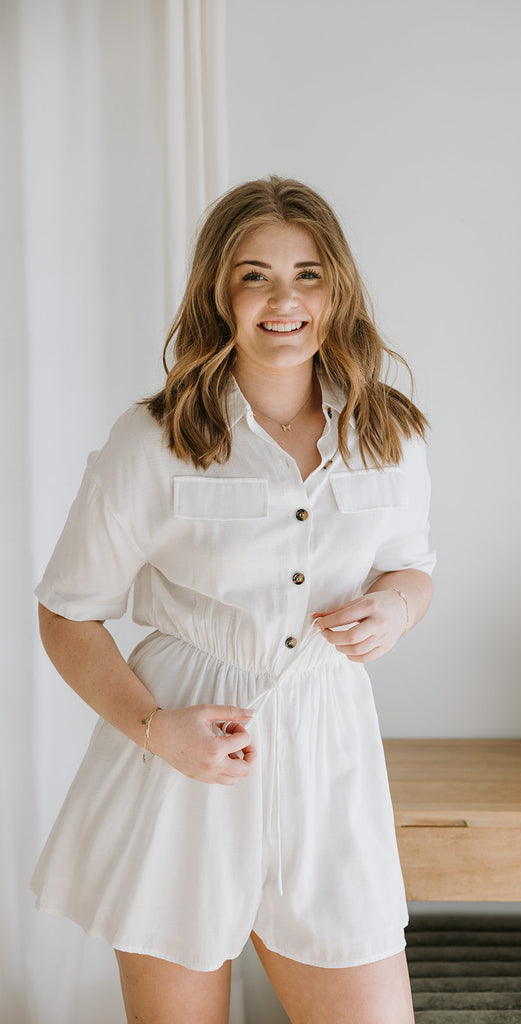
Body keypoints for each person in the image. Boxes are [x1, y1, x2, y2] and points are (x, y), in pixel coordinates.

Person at [33, 176, 435, 1024]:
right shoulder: (154, 441)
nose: (283, 299)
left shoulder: (387, 432)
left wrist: (396, 608)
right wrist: (155, 731)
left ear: (339, 289)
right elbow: (67, 611)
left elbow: (410, 566)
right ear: (220, 293)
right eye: (255, 275)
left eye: (308, 274)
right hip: (183, 757)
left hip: (331, 761)